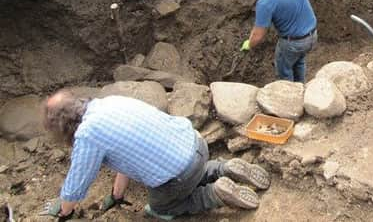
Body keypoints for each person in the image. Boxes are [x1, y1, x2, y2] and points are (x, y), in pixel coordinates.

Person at [41, 91, 271, 221]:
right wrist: (116, 195)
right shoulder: (108, 102)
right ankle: (223, 169)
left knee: (159, 208)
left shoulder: (88, 134)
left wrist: (64, 211)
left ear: (63, 125)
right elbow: (126, 159)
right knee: (189, 171)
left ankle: (213, 194)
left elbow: (78, 183)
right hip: (195, 144)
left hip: (178, 174)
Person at [239, 0, 318, 82]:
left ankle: (290, 95)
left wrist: (249, 44)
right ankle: (301, 86)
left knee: (284, 70)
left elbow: (258, 36)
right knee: (299, 61)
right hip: (312, 35)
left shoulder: (265, 2)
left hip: (293, 43)